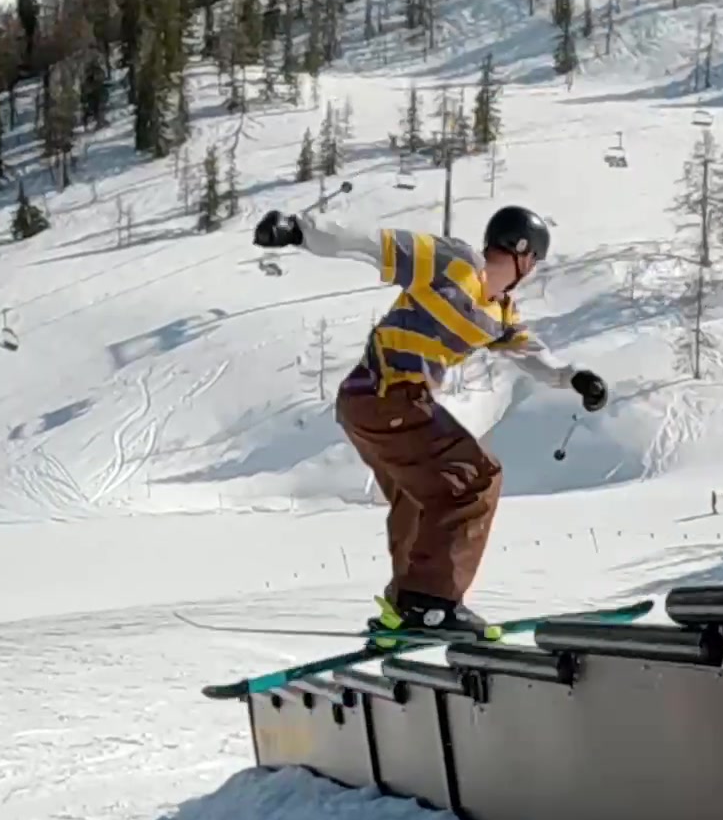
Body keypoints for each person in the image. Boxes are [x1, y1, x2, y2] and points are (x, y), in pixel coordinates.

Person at [253, 200, 608, 634]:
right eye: (534, 259)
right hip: (388, 394)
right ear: (523, 253)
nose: (532, 269)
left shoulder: (499, 312)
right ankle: (431, 603)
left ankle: (404, 608)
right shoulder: (455, 264)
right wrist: (299, 230)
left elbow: (532, 354)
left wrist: (574, 378)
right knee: (476, 478)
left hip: (372, 402)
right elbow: (375, 243)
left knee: (422, 497)